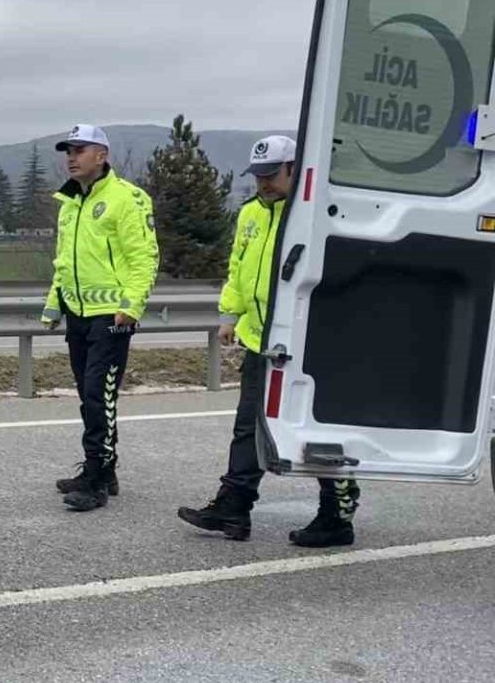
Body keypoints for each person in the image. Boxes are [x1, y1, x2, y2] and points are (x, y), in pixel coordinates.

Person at [178, 136, 361, 547]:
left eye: (271, 174)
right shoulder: (250, 214)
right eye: (258, 175)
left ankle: (337, 513)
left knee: (317, 429)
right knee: (249, 426)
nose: (263, 182)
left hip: (311, 342)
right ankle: (234, 507)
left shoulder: (317, 214)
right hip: (261, 339)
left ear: (296, 169)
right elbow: (238, 267)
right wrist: (230, 314)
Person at [42, 124, 159, 512]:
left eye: (79, 150)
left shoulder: (127, 198)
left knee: (98, 394)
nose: (71, 158)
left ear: (102, 155)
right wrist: (54, 304)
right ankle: (104, 470)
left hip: (112, 315)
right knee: (88, 395)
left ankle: (96, 478)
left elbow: (144, 256)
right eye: (68, 151)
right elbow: (64, 261)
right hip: (77, 312)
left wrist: (132, 305)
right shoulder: (70, 202)